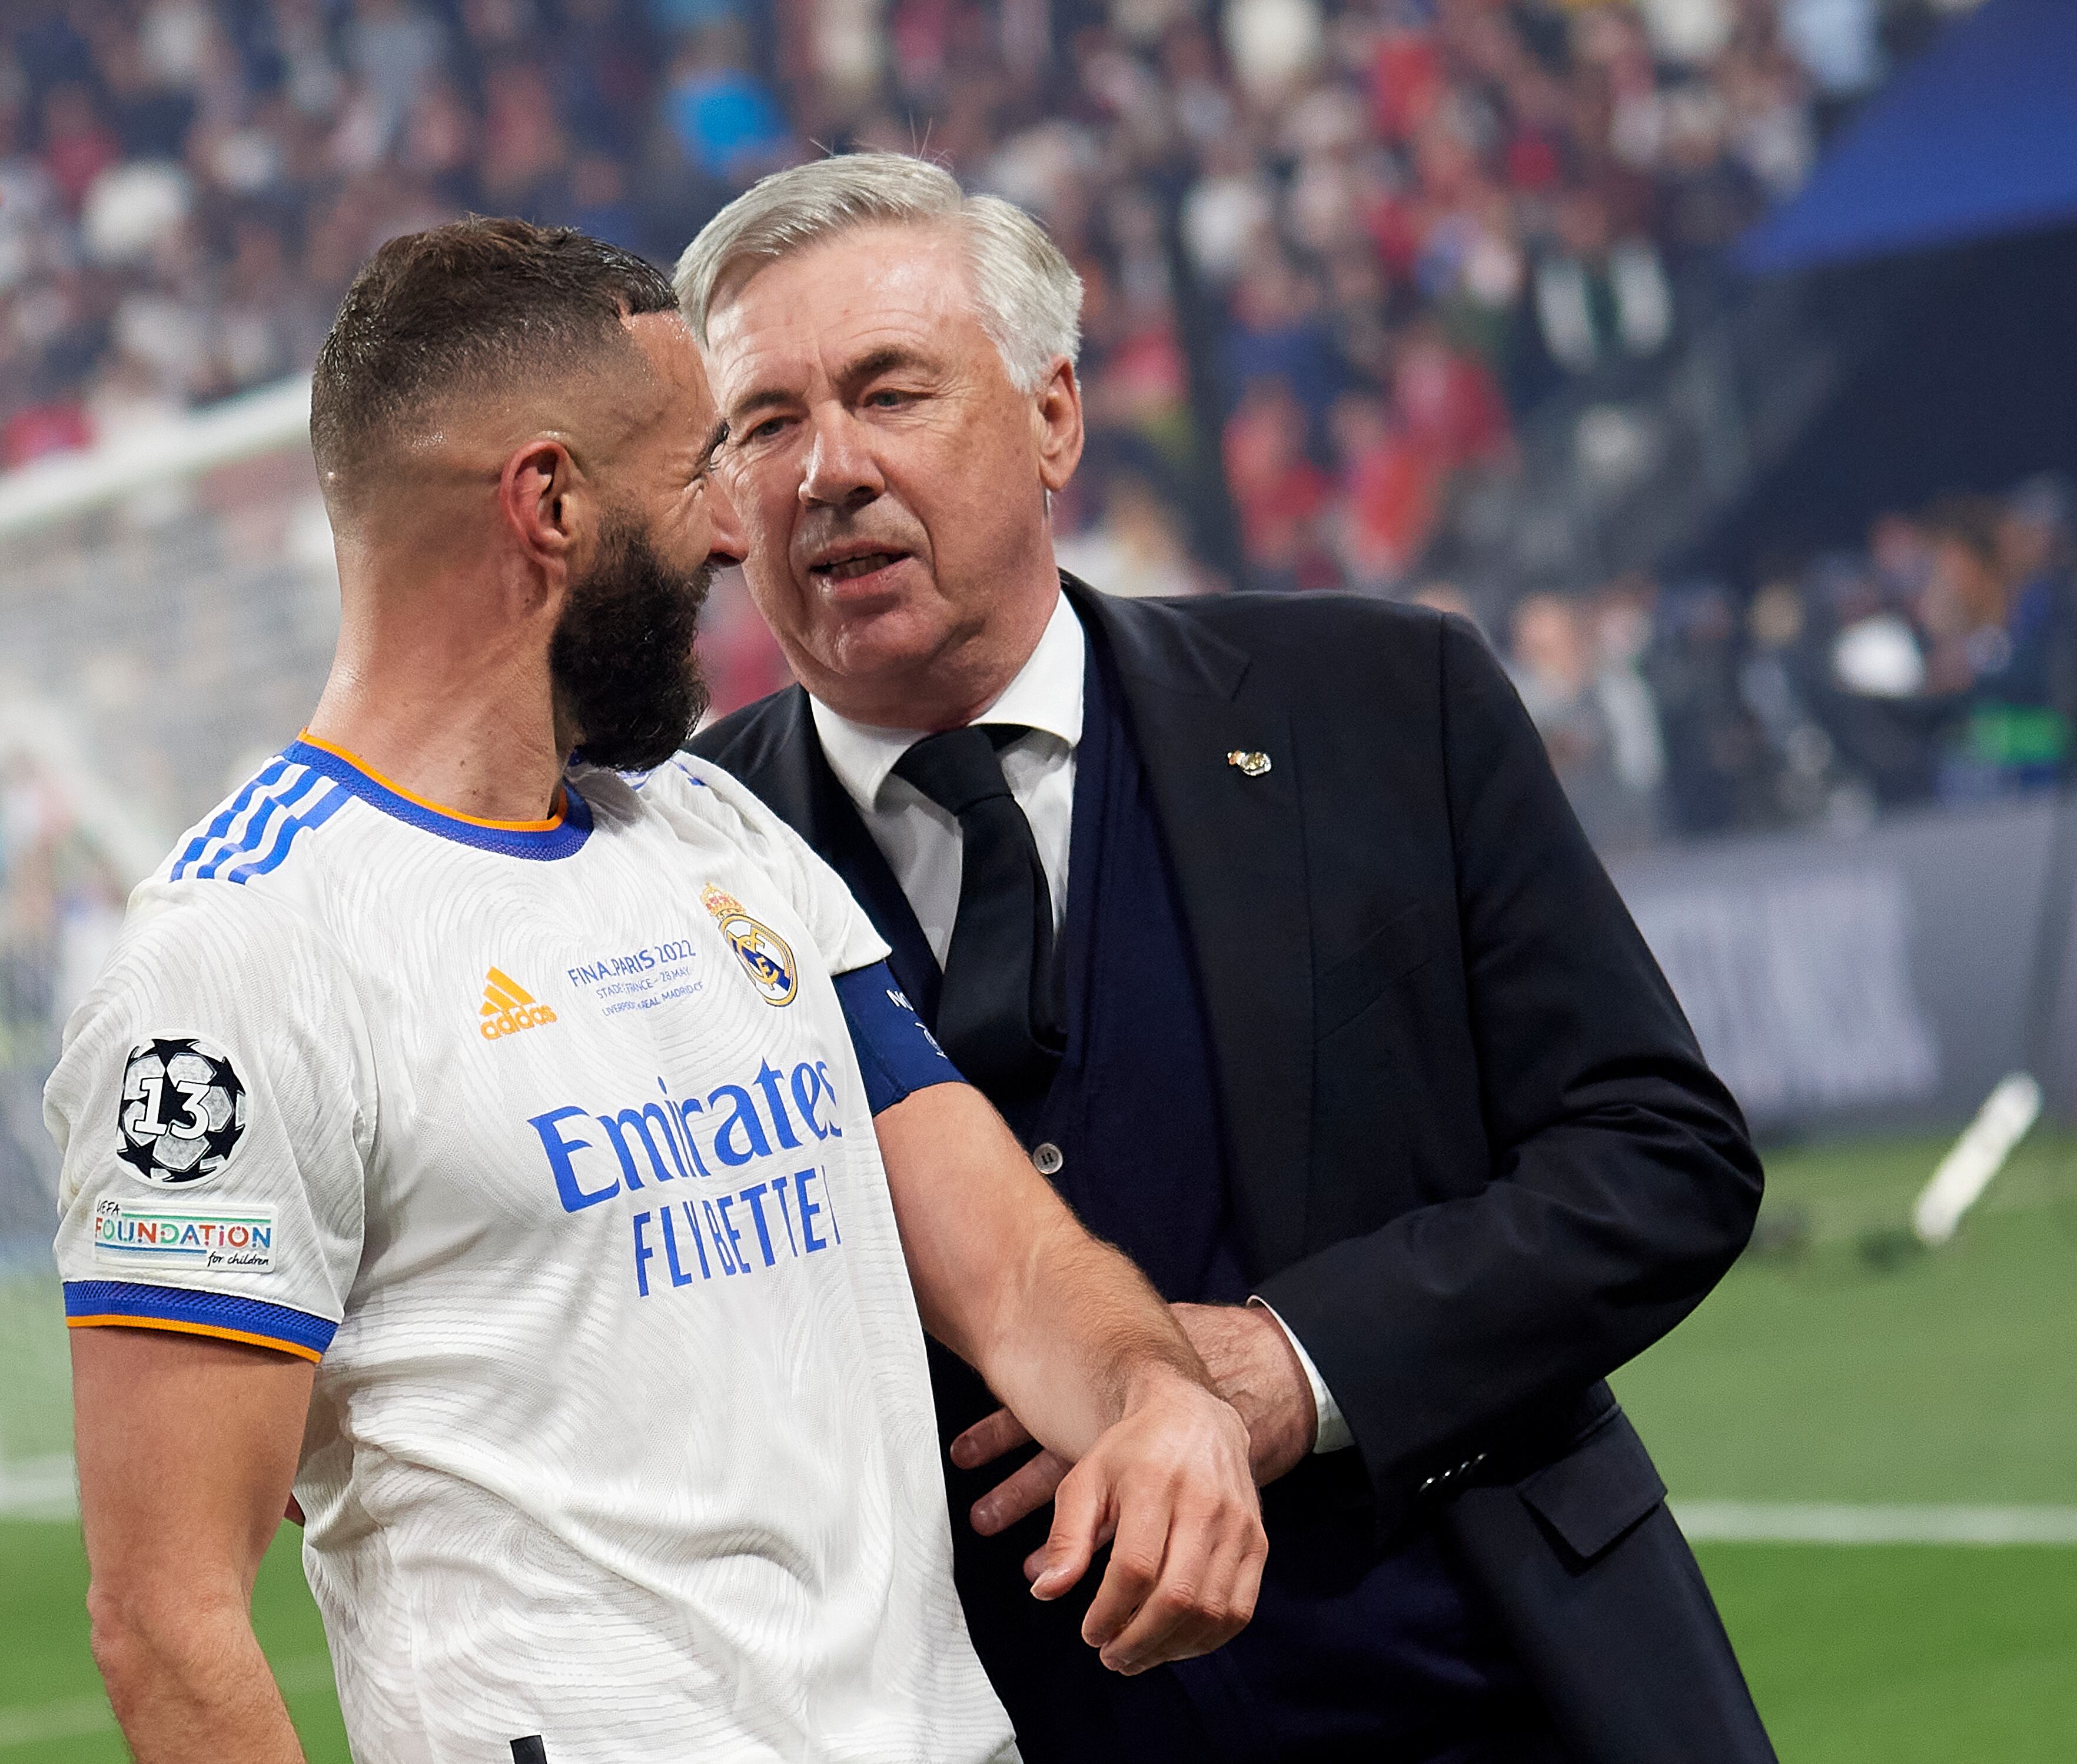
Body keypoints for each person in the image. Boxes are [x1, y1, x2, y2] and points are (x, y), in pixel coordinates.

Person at [49, 218, 1266, 1764]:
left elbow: (1012, 1269)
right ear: (547, 503)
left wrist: (1156, 1401)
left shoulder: (714, 836)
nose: (731, 534)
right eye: (697, 469)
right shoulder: (234, 962)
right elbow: (166, 1620)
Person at [679, 153, 1774, 1764]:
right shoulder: (665, 871)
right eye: (764, 424)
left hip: (1497, 1697)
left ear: (1051, 415)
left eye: (889, 393)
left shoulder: (1386, 706)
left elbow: (1660, 1159)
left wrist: (1290, 1364)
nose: (826, 470)